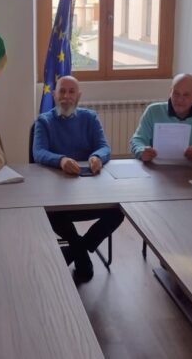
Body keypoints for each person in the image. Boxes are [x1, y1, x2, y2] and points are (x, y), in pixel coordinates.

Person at [32, 76, 124, 282]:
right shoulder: (44, 121)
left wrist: (97, 156)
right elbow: (38, 152)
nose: (66, 96)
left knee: (118, 211)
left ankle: (76, 249)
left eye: (71, 91)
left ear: (79, 96)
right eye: (62, 91)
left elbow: (104, 147)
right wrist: (61, 160)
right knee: (50, 214)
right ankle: (80, 251)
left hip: (89, 192)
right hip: (57, 194)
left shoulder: (90, 118)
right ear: (54, 94)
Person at [130, 73, 192, 163]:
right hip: (158, 169)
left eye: (186, 95)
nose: (180, 100)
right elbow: (137, 140)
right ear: (170, 92)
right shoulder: (153, 111)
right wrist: (142, 151)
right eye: (176, 93)